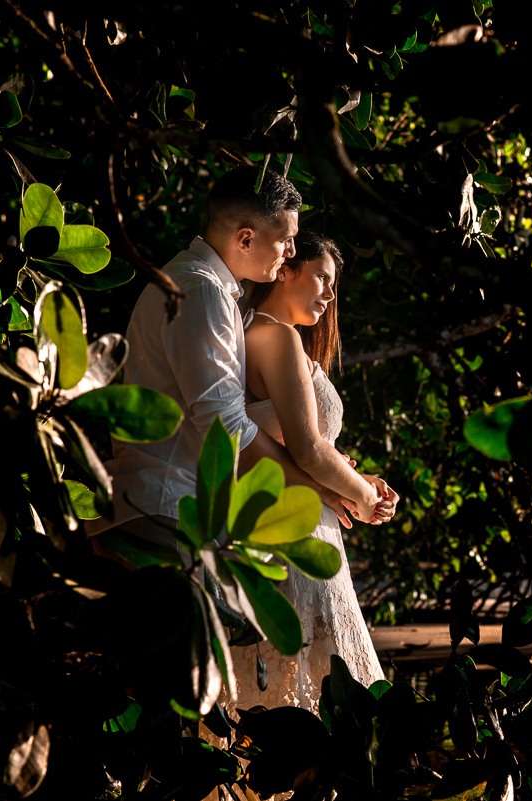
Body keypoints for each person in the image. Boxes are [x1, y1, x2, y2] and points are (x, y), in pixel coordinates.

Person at [93, 165, 361, 546]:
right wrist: (318, 486)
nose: (291, 251)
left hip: (167, 507)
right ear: (245, 239)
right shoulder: (202, 291)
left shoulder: (200, 285)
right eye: (285, 240)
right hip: (163, 505)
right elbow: (228, 429)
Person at [224, 231, 396, 713]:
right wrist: (364, 497)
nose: (330, 294)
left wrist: (355, 480)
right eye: (322, 277)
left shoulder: (267, 335)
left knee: (291, 687)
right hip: (291, 530)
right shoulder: (275, 336)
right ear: (285, 270)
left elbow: (305, 447)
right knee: (325, 696)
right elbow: (309, 449)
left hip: (290, 519)